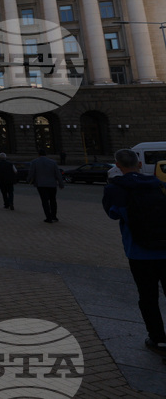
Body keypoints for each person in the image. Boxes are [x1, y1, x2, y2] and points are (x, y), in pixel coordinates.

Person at [103, 148, 166, 355]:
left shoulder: (115, 189)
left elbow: (112, 214)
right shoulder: (159, 184)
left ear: (118, 167)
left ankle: (158, 339)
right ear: (139, 164)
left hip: (139, 252)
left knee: (148, 297)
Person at [28, 149, 64, 223]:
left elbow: (31, 173)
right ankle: (54, 216)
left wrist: (28, 180)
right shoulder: (53, 162)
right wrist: (61, 184)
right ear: (46, 154)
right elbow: (58, 174)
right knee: (53, 200)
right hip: (52, 184)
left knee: (45, 201)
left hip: (41, 185)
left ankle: (48, 217)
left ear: (38, 154)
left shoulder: (34, 162)